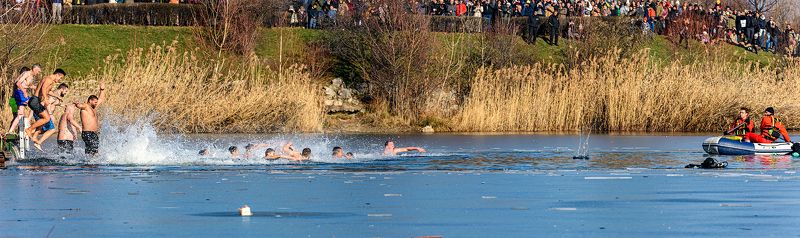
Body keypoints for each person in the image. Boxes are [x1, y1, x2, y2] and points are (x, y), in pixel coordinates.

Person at [26, 69, 65, 142]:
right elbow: (43, 88)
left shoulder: (49, 80)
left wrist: (58, 96)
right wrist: (46, 99)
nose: (60, 80)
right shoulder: (49, 79)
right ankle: (29, 129)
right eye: (60, 78)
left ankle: (35, 136)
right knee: (47, 118)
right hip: (35, 101)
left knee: (43, 120)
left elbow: (48, 91)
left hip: (36, 101)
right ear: (57, 75)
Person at [30, 83, 70, 150]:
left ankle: (29, 135)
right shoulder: (56, 94)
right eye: (65, 91)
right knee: (52, 130)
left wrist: (62, 105)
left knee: (44, 130)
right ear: (62, 88)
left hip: (40, 112)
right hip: (44, 113)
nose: (65, 93)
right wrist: (50, 114)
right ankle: (38, 142)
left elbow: (53, 102)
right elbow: (47, 103)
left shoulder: (55, 94)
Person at [7, 65, 41, 134]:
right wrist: (24, 91)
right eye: (38, 71)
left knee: (18, 116)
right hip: (14, 100)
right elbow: (18, 84)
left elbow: (26, 85)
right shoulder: (26, 74)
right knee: (19, 115)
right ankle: (14, 130)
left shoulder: (28, 76)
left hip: (14, 99)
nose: (38, 73)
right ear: (34, 69)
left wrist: (38, 87)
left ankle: (14, 132)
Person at [74, 82, 105, 156]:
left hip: (94, 133)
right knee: (92, 150)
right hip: (87, 133)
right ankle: (89, 164)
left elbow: (101, 98)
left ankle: (89, 165)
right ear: (90, 101)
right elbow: (80, 105)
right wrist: (77, 104)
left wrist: (102, 90)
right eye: (95, 102)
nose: (96, 103)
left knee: (94, 151)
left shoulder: (93, 107)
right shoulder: (86, 106)